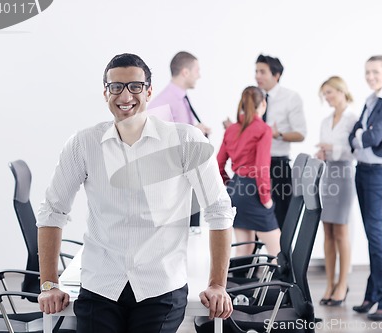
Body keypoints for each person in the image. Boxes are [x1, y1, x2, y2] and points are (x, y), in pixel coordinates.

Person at [36, 53, 234, 333]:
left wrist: (217, 284)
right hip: (100, 285)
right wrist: (49, 283)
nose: (125, 94)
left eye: (135, 86)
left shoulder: (186, 141)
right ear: (106, 92)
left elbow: (218, 211)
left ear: (149, 91)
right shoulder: (84, 144)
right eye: (115, 86)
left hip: (161, 287)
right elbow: (52, 211)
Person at [349, 55, 382, 321]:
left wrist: (361, 135)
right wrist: (360, 135)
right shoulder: (371, 100)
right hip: (362, 172)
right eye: (367, 72)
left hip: (379, 175)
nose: (370, 76)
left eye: (375, 72)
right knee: (373, 236)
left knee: (376, 236)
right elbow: (355, 134)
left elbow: (373, 136)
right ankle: (373, 295)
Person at [224, 55, 307, 229]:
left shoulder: (291, 98)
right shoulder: (252, 96)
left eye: (263, 72)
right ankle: (253, 257)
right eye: (256, 71)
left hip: (277, 168)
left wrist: (276, 134)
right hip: (251, 172)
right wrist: (236, 131)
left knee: (281, 221)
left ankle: (279, 256)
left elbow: (301, 134)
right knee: (249, 227)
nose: (257, 76)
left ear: (276, 75)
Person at [148, 51, 211, 234]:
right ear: (185, 72)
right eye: (196, 70)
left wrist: (196, 129)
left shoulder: (180, 98)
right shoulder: (164, 101)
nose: (199, 75)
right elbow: (151, 140)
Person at [217, 86, 281, 259]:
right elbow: (261, 168)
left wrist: (230, 185)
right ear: (263, 104)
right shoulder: (263, 129)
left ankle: (236, 286)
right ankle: (282, 287)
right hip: (254, 192)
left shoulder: (231, 129)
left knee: (243, 249)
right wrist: (266, 197)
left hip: (236, 190)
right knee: (279, 253)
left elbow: (218, 164)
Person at [314, 76, 358, 307]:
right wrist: (322, 153)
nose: (327, 98)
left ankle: (343, 283)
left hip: (344, 176)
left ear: (341, 91)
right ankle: (330, 283)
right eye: (325, 94)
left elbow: (355, 151)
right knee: (328, 232)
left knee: (341, 231)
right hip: (327, 175)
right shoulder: (325, 121)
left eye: (329, 92)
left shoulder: (353, 119)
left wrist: (333, 149)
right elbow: (325, 148)